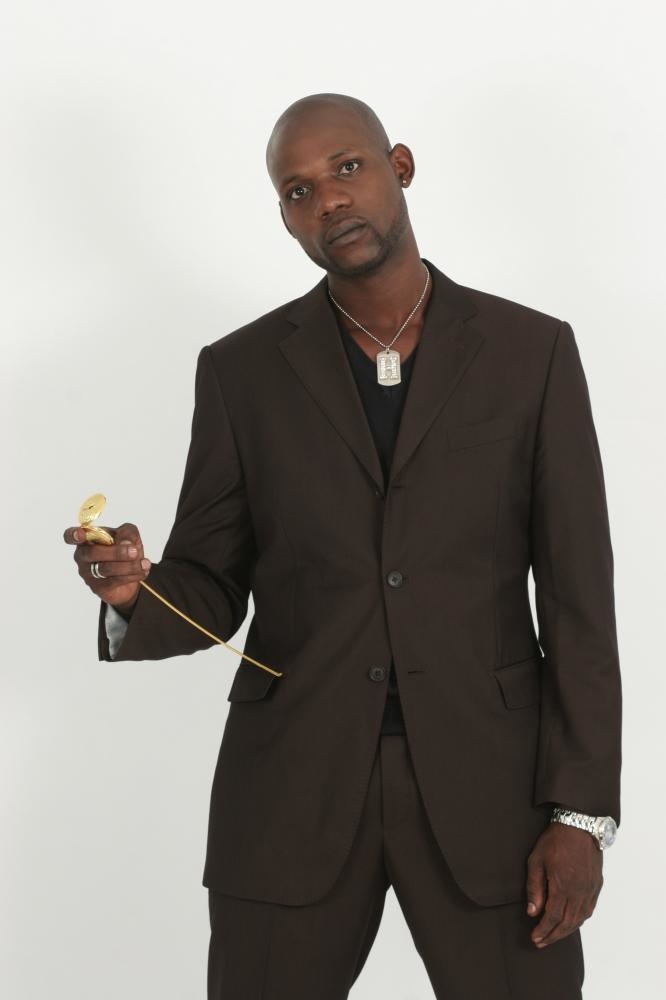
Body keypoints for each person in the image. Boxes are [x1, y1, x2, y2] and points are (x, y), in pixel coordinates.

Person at [64, 93, 622, 999]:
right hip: (290, 788)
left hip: (494, 795)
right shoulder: (240, 371)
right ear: (284, 217)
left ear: (400, 166)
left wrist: (583, 815)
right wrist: (133, 596)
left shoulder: (532, 353)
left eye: (347, 168)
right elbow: (210, 585)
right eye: (297, 190)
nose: (327, 198)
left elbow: (579, 604)